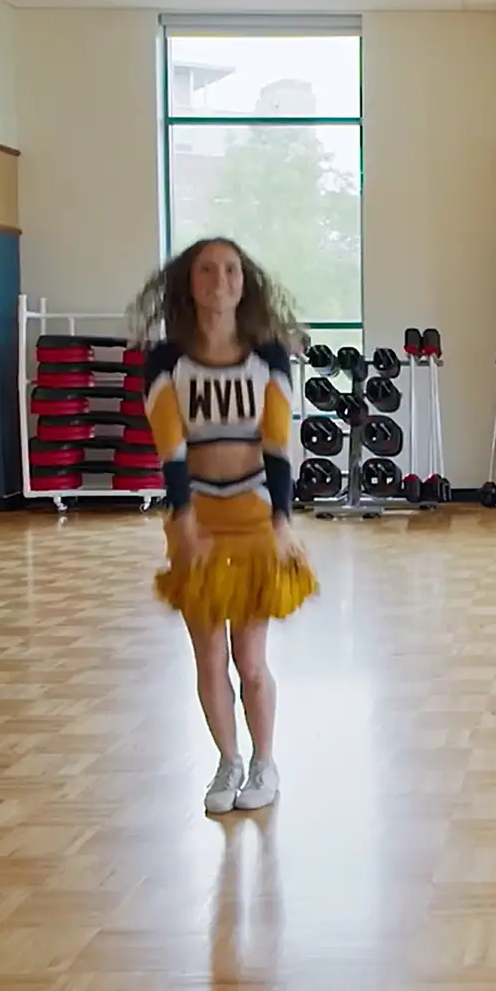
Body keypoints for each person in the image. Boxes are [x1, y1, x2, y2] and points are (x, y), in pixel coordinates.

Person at [129, 237, 319, 812]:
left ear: (246, 280)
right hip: (197, 519)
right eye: (207, 269)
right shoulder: (165, 362)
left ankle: (265, 761)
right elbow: (172, 450)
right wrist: (183, 517)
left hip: (256, 515)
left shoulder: (269, 356)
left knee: (250, 658)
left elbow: (278, 445)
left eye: (231, 269)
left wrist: (283, 522)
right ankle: (227, 762)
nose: (220, 279)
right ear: (189, 283)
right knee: (208, 654)